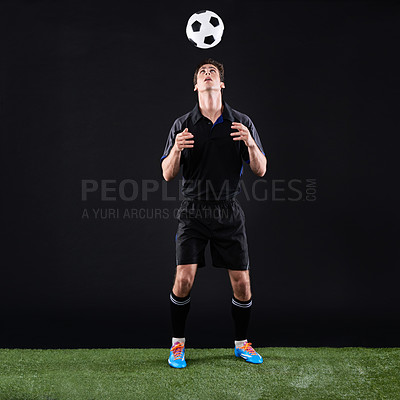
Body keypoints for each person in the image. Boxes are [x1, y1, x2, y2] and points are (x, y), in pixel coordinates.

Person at [160, 58, 267, 369]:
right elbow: (167, 174)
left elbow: (261, 170)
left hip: (228, 212)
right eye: (202, 72)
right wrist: (177, 149)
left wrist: (249, 142)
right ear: (196, 85)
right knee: (183, 279)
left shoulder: (241, 122)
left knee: (243, 284)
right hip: (192, 212)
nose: (207, 74)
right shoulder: (182, 125)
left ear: (221, 84)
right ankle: (177, 345)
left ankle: (241, 344)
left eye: (213, 72)